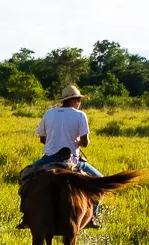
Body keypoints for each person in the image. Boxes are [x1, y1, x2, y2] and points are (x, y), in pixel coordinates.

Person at [18, 85, 107, 229]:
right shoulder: (80, 115)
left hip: (48, 159)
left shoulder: (49, 113)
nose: (80, 103)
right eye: (79, 100)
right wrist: (77, 141)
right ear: (74, 100)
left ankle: (26, 216)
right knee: (100, 183)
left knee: (25, 178)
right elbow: (85, 142)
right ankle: (92, 217)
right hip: (72, 160)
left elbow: (42, 139)